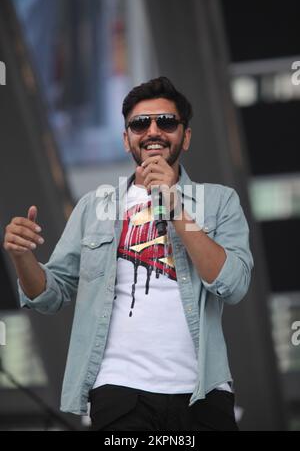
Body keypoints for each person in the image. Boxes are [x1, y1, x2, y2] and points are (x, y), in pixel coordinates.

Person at [3, 77, 253, 431]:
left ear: (186, 136)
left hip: (203, 390)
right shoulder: (94, 207)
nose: (153, 130)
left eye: (166, 122)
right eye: (140, 123)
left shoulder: (219, 201)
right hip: (119, 391)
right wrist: (22, 257)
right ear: (126, 139)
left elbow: (233, 284)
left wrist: (175, 207)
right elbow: (50, 295)